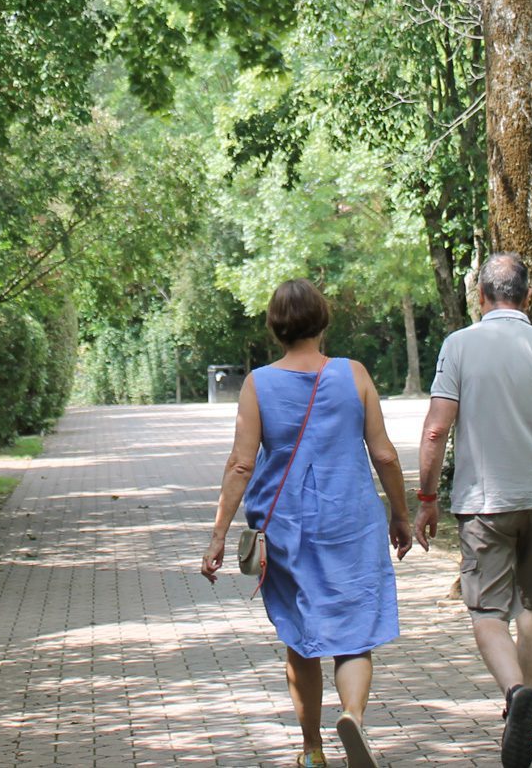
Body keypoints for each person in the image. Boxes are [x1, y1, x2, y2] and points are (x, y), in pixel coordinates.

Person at [201, 279, 414, 768]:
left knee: (302, 637)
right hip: (352, 520)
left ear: (276, 328)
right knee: (354, 634)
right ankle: (354, 718)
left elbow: (240, 464)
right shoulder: (353, 374)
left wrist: (217, 537)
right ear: (323, 320)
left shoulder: (259, 383)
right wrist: (399, 514)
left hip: (288, 528)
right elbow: (382, 452)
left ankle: (312, 750)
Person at [413, 252, 532, 768]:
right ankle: (531, 723)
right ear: (528, 295)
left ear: (481, 296)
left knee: (488, 613)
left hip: (484, 505)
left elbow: (435, 429)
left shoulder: (459, 346)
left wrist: (427, 499)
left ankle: (515, 694)